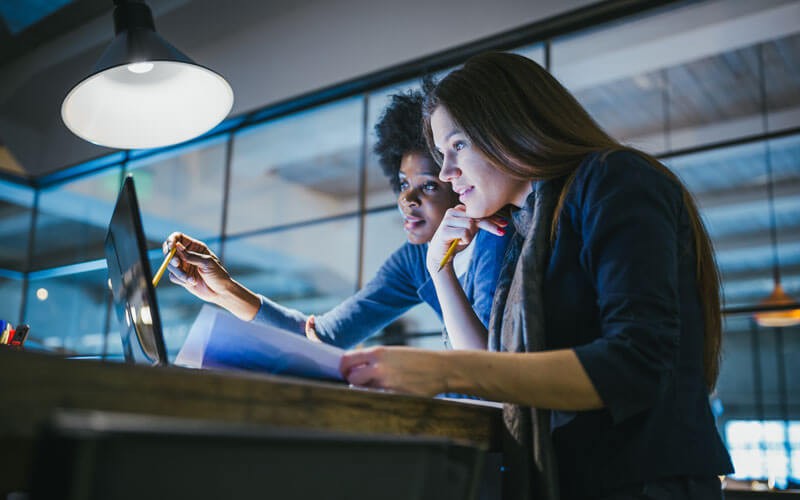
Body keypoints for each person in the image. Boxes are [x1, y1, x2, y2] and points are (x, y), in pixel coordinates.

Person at [338, 53, 734, 499]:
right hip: (575, 478)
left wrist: (443, 370)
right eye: (441, 155)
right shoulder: (524, 227)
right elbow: (494, 378)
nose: (448, 173)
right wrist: (439, 268)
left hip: (643, 480)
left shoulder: (613, 178)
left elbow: (636, 361)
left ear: (508, 124)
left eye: (458, 146)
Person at [165, 89, 510, 350]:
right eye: (403, 185)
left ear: (457, 181)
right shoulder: (415, 260)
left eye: (429, 186)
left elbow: (486, 366)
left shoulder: (496, 237)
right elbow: (323, 337)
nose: (407, 200)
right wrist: (222, 290)